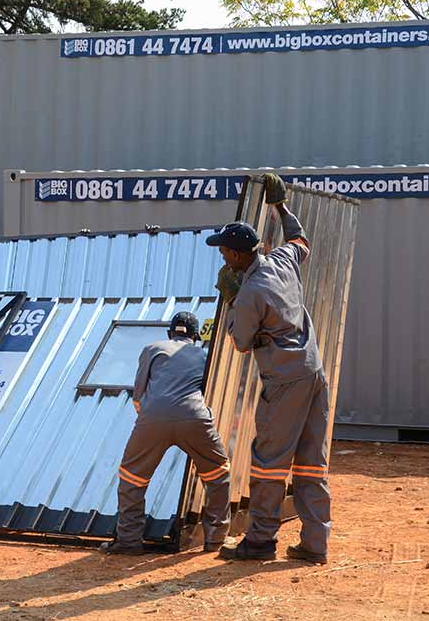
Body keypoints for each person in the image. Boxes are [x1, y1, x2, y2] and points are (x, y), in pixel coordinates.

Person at [208, 173, 331, 565]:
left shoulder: (251, 293)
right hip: (314, 372)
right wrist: (280, 206)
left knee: (269, 461)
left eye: (225, 252)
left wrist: (230, 299)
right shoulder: (281, 260)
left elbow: (241, 342)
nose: (223, 257)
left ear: (240, 255)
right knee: (311, 461)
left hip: (285, 381)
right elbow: (301, 241)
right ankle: (315, 544)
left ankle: (259, 541)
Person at [101, 311, 232, 556]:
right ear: (195, 336)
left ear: (170, 333)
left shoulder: (152, 349)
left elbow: (138, 395)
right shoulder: (205, 355)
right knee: (218, 473)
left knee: (132, 479)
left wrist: (150, 421)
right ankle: (215, 539)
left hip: (152, 419)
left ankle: (129, 542)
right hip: (194, 417)